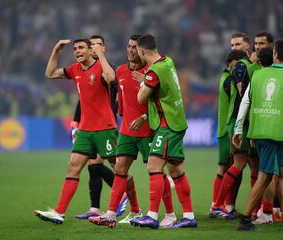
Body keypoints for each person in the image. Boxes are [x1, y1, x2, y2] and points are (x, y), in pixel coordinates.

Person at [88, 34, 176, 228]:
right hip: (127, 130)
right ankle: (111, 213)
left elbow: (160, 100)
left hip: (148, 130)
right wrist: (121, 117)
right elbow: (120, 98)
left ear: (142, 50)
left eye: (134, 47)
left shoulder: (152, 71)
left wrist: (144, 117)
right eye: (128, 46)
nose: (130, 50)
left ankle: (170, 214)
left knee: (156, 172)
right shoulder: (120, 70)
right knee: (120, 169)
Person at [34, 38, 117, 224]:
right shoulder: (75, 70)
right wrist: (56, 50)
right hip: (85, 130)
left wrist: (100, 53)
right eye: (75, 49)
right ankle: (59, 212)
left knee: (119, 168)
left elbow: (111, 78)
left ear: (90, 51)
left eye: (81, 48)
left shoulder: (101, 67)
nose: (77, 51)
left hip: (105, 128)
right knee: (73, 167)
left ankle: (135, 209)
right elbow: (50, 73)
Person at [233, 38, 283, 231]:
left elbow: (245, 101)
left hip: (261, 131)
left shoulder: (259, 74)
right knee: (265, 176)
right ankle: (245, 220)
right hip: (278, 133)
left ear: (275, 54)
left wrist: (239, 128)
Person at [129, 34, 197, 229]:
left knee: (153, 166)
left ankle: (151, 216)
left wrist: (143, 82)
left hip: (167, 125)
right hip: (177, 121)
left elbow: (141, 98)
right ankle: (189, 216)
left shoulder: (153, 71)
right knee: (176, 170)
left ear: (142, 51)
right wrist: (147, 80)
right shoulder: (167, 62)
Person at [73, 35, 128, 220]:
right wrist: (76, 119)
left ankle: (126, 198)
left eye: (98, 45)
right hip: (90, 125)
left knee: (114, 166)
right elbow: (84, 99)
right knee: (94, 166)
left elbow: (116, 94)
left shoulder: (108, 68)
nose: (94, 47)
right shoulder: (84, 69)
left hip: (106, 125)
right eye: (92, 44)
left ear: (103, 48)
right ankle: (95, 208)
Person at [210, 49, 248, 213]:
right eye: (234, 67)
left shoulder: (225, 78)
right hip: (228, 129)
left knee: (228, 167)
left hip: (225, 128)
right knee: (225, 167)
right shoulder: (228, 80)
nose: (236, 70)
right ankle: (217, 205)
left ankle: (224, 206)